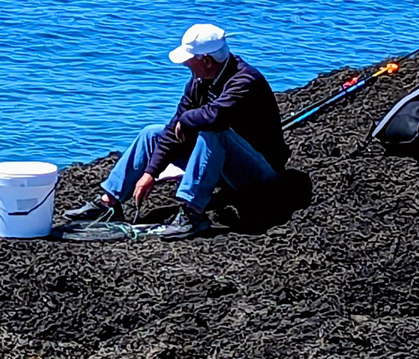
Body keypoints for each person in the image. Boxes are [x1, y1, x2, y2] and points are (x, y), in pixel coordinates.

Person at [88, 23, 288, 239]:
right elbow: (174, 128)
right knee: (152, 133)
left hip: (261, 174)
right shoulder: (199, 81)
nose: (185, 64)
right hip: (224, 168)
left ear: (207, 60)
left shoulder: (245, 81)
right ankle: (110, 202)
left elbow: (215, 117)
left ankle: (192, 213)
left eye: (189, 59)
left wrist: (186, 119)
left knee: (213, 133)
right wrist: (150, 173)